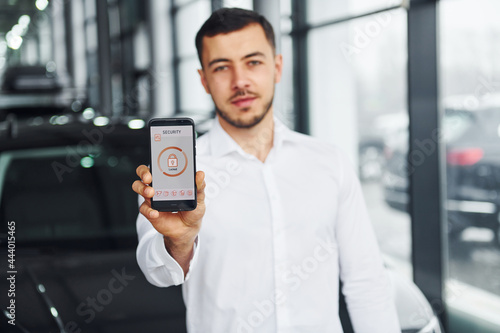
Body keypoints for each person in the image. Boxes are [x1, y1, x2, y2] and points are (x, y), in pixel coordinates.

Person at [132, 7, 400, 333]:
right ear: (203, 79)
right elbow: (158, 273)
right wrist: (180, 242)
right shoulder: (178, 171)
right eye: (221, 67)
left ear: (277, 67)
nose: (240, 81)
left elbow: (366, 282)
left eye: (253, 62)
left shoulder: (330, 163)